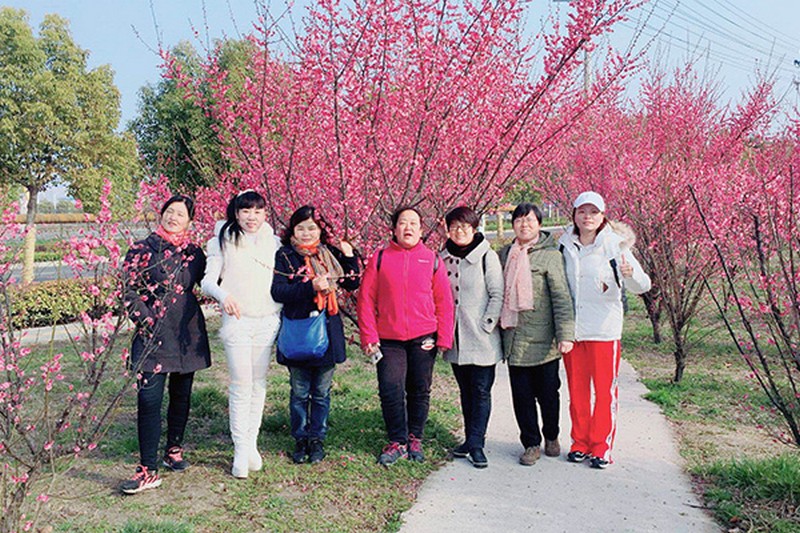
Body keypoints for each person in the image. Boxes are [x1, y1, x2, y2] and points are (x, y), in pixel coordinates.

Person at [121, 195, 211, 494]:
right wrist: (146, 319)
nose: (173, 217)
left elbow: (211, 281)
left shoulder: (195, 253)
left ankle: (174, 448)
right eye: (169, 212)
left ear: (190, 222)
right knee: (148, 400)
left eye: (180, 214)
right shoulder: (141, 249)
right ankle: (147, 468)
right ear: (161, 214)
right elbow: (128, 290)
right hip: (152, 332)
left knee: (181, 395)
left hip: (186, 331)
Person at [559, 191, 651, 469]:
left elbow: (643, 285)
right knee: (577, 393)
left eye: (594, 212)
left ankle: (601, 447)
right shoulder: (564, 244)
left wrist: (630, 275)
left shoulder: (615, 246)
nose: (588, 217)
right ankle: (580, 443)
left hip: (603, 331)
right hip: (574, 332)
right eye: (582, 211)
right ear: (574, 215)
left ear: (602, 216)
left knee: (604, 392)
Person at [357, 206, 455, 466]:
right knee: (390, 388)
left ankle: (415, 438)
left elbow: (444, 301)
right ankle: (397, 440)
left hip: (424, 336)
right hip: (389, 338)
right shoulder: (380, 258)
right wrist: (368, 335)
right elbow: (365, 299)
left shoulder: (432, 259)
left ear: (421, 229)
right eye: (402, 223)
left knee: (419, 389)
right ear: (394, 228)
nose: (408, 228)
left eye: (413, 223)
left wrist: (444, 338)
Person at [201, 190, 282, 478]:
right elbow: (207, 282)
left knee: (258, 384)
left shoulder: (273, 243)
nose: (252, 217)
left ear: (264, 214)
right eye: (246, 211)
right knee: (240, 383)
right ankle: (239, 449)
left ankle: (251, 444)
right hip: (237, 321)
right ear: (236, 213)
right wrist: (224, 296)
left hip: (267, 319)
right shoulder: (221, 240)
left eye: (258, 211)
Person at [271, 206, 360, 464]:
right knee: (299, 391)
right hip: (299, 331)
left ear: (321, 230)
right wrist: (310, 287)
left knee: (321, 391)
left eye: (312, 228)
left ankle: (317, 438)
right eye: (301, 228)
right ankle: (300, 438)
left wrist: (349, 255)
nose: (306, 233)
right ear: (292, 231)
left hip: (327, 331)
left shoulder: (328, 253)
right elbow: (278, 292)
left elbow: (351, 281)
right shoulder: (285, 256)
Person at [499, 203, 575, 467]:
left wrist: (565, 335)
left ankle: (551, 435)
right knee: (522, 397)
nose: (524, 225)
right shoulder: (505, 254)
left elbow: (561, 297)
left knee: (548, 394)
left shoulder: (551, 255)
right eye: (519, 220)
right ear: (513, 224)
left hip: (544, 340)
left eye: (530, 220)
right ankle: (530, 443)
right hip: (514, 337)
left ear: (539, 224)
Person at [440, 207, 504, 469]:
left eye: (465, 226)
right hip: (456, 339)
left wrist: (487, 324)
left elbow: (497, 294)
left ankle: (477, 444)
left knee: (480, 391)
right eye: (454, 226)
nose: (460, 231)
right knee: (465, 391)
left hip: (482, 339)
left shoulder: (487, 256)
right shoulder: (442, 258)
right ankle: (469, 439)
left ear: (475, 229)